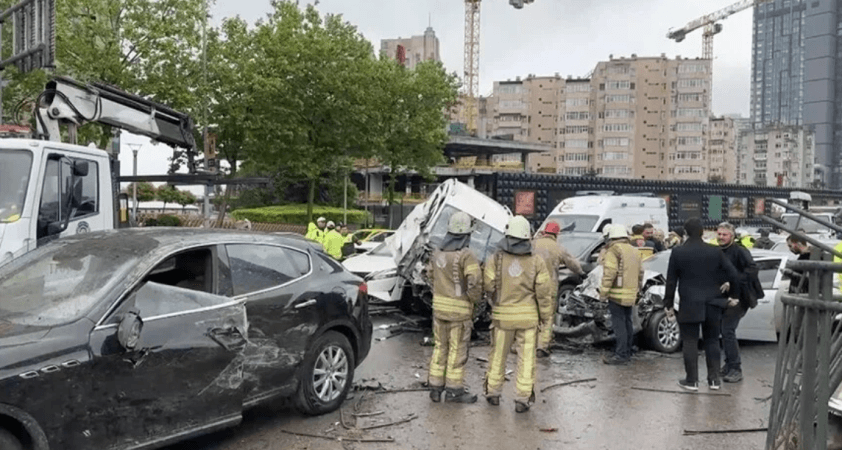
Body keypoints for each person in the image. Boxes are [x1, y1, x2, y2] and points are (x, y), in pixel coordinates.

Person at [483, 215, 553, 413]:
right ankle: (522, 399)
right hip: (528, 319)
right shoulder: (536, 261)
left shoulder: (495, 259)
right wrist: (545, 317)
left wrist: (494, 300)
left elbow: (488, 284)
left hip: (502, 318)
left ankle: (493, 393)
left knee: (498, 356)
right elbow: (544, 292)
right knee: (526, 359)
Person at [664, 217, 741, 392]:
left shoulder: (678, 252)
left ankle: (692, 381)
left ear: (685, 233)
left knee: (690, 341)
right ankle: (714, 381)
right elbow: (734, 274)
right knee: (712, 341)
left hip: (689, 303)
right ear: (703, 232)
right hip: (714, 302)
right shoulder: (715, 251)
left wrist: (668, 303)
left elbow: (671, 281)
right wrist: (733, 294)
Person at [426, 212, 482, 404]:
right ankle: (454, 391)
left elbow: (429, 276)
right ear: (466, 235)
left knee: (440, 348)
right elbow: (473, 282)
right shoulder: (467, 255)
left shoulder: (437, 252)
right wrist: (474, 301)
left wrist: (439, 294)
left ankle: (435, 389)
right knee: (457, 351)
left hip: (439, 310)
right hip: (459, 313)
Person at [532, 220, 586, 358]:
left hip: (530, 287)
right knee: (547, 317)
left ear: (544, 232)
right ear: (556, 234)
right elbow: (572, 263)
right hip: (548, 287)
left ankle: (525, 344)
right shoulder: (558, 248)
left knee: (531, 315)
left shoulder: (532, 244)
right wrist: (581, 273)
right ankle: (542, 346)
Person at [717, 222, 760, 384]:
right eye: (719, 234)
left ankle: (736, 368)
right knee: (724, 330)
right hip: (723, 298)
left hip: (740, 297)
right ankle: (729, 364)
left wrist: (732, 281)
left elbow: (752, 270)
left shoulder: (740, 251)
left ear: (732, 236)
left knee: (727, 330)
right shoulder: (719, 251)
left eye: (724, 235)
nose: (721, 237)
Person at [599, 225, 643, 365]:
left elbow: (610, 273)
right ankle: (628, 350)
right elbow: (640, 273)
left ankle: (621, 355)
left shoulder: (614, 251)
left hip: (617, 295)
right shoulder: (634, 251)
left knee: (619, 325)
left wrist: (603, 293)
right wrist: (638, 289)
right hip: (631, 294)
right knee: (627, 322)